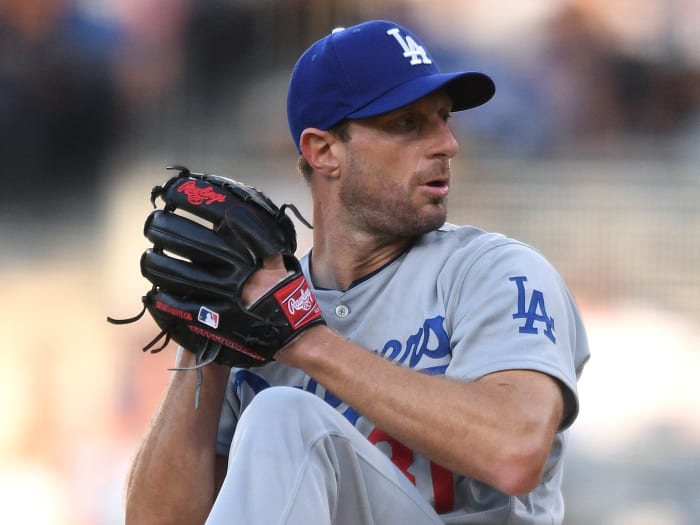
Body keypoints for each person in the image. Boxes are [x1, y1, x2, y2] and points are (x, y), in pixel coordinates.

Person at [125, 19, 590, 524]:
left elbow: (516, 450)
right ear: (324, 151)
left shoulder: (493, 272)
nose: (447, 144)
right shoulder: (257, 311)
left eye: (444, 118)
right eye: (409, 124)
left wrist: (304, 336)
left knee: (286, 417)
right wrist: (206, 343)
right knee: (280, 415)